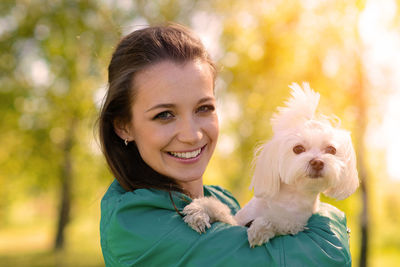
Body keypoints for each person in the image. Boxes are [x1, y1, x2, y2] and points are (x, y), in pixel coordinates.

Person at [98, 23, 352, 266]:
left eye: (204, 108)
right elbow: (324, 258)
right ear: (124, 126)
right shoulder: (135, 223)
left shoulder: (222, 199)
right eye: (164, 114)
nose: (192, 135)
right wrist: (329, 221)